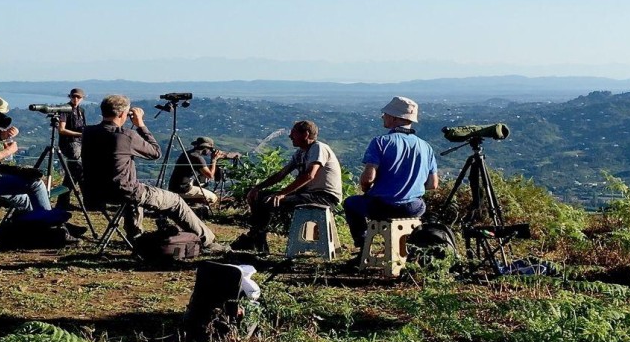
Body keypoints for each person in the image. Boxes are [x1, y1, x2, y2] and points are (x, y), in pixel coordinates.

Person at [80, 94, 229, 253]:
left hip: (94, 192)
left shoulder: (88, 132)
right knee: (175, 201)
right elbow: (155, 152)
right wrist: (140, 125)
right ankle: (209, 241)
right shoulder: (125, 135)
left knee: (132, 198)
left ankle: (136, 239)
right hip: (124, 191)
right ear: (123, 114)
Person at [343, 96, 439, 252]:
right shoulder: (426, 146)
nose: (383, 117)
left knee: (351, 203)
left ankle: (363, 247)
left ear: (394, 118)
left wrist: (368, 190)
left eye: (385, 114)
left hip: (384, 206)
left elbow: (368, 178)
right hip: (415, 207)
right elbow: (432, 184)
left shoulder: (380, 142)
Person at [231, 120, 342, 252]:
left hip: (324, 196)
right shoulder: (301, 153)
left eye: (293, 134)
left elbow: (309, 175)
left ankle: (256, 240)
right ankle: (255, 237)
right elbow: (281, 174)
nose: (290, 137)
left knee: (270, 201)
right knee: (259, 197)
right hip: (309, 194)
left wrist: (282, 193)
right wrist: (257, 188)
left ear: (306, 134)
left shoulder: (318, 148)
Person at [0, 93, 52, 214]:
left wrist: (4, 135)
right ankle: (49, 223)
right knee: (36, 184)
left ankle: (38, 225)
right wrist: (6, 152)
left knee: (25, 199)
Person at [168, 137, 227, 204]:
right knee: (213, 198)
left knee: (202, 179)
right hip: (183, 189)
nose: (210, 152)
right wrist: (214, 160)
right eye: (210, 149)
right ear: (206, 148)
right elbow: (210, 175)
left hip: (174, 186)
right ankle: (188, 204)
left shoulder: (187, 153)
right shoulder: (197, 158)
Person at [55, 87, 87, 210]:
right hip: (69, 144)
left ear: (82, 98)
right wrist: (78, 134)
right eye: (73, 96)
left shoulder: (81, 110)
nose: (75, 99)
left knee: (72, 175)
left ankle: (63, 202)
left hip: (79, 143)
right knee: (79, 171)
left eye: (78, 97)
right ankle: (87, 200)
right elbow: (61, 130)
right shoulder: (65, 109)